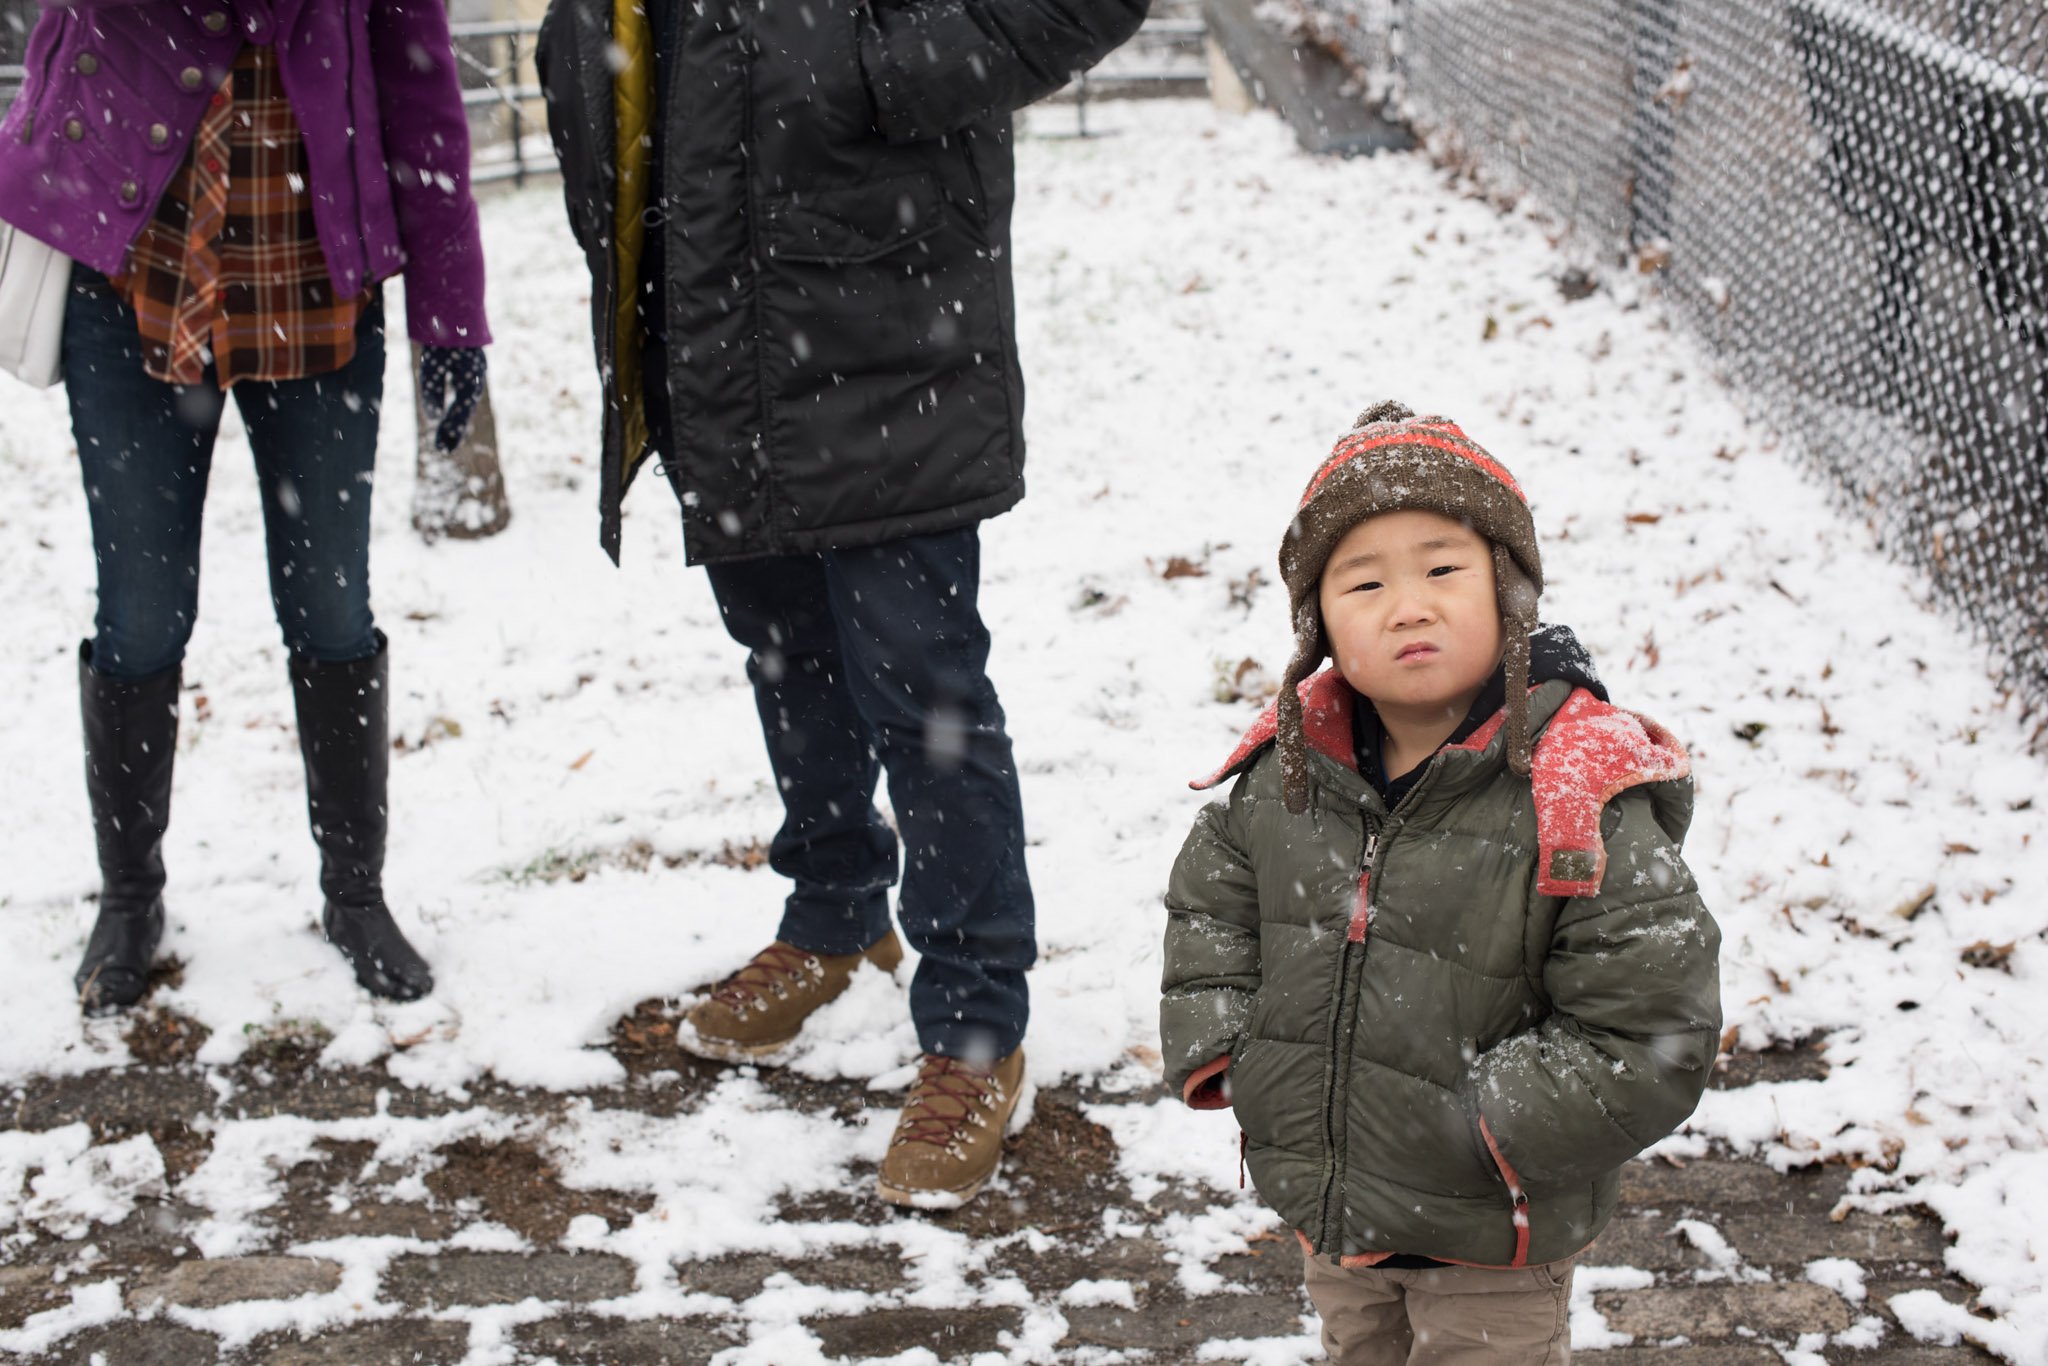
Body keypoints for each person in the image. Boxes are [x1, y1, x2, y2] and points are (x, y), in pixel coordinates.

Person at [536, 0, 1147, 1206]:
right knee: (782, 647)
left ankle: (975, 1024)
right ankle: (833, 911)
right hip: (708, 301)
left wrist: (877, 71)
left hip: (882, 305)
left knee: (920, 682)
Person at [1160, 402, 1723, 1363]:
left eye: (1442, 570)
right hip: (1334, 1209)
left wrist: (1481, 1125)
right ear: (1320, 624)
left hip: (1491, 1234)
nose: (1408, 606)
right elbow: (1213, 906)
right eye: (1365, 582)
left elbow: (1650, 1026)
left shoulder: (1572, 790)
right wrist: (1239, 1053)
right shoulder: (1292, 776)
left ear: (1509, 593)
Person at [0, 0, 491, 1013]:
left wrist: (450, 312)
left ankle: (354, 895)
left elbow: (420, 84)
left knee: (331, 608)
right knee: (140, 613)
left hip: (316, 276)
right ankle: (129, 899)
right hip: (133, 276)